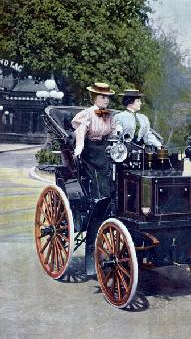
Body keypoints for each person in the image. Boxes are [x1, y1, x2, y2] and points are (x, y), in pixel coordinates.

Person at [71, 82, 115, 276]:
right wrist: (79, 149)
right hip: (89, 150)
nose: (106, 99)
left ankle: (112, 200)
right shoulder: (87, 114)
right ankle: (99, 200)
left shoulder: (109, 116)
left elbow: (113, 134)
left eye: (107, 97)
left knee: (116, 171)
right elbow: (80, 133)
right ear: (95, 97)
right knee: (98, 177)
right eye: (102, 96)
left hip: (105, 150)